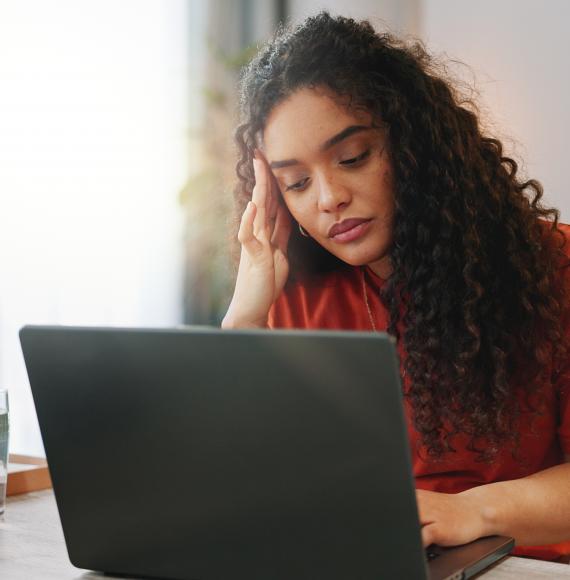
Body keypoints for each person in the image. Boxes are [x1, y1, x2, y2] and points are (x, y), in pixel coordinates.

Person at [222, 12, 570, 561]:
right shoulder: (298, 295)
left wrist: (470, 510)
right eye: (296, 182)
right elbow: (250, 488)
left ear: (415, 145)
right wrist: (244, 318)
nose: (328, 196)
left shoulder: (552, 268)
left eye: (352, 158)